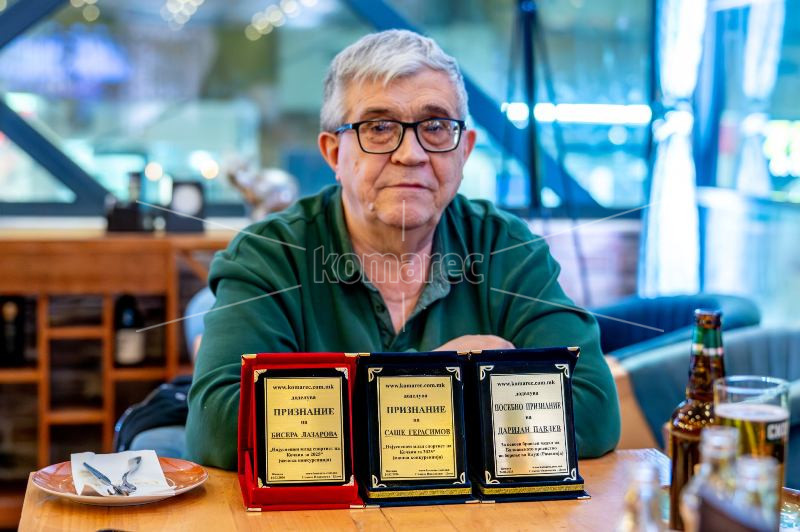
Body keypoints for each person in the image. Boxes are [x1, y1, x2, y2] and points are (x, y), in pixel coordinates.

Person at [185, 29, 620, 470]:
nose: (411, 154)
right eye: (378, 128)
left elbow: (592, 408)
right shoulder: (268, 254)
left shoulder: (508, 249)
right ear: (334, 154)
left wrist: (330, 416)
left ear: (464, 151)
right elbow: (218, 425)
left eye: (436, 127)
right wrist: (438, 376)